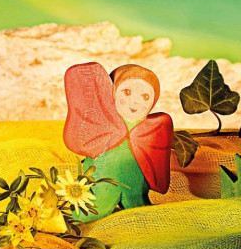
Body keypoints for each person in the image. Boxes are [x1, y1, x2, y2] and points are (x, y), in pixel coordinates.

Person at [63, 62, 174, 220]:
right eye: (127, 92)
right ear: (112, 92)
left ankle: (134, 201)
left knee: (136, 197)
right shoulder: (103, 121)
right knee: (100, 199)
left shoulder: (153, 127)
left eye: (145, 97)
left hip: (135, 182)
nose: (135, 102)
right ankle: (80, 214)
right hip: (104, 178)